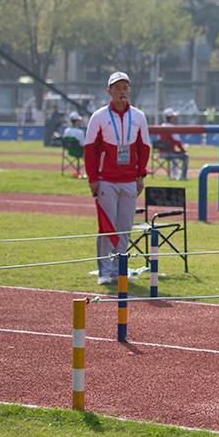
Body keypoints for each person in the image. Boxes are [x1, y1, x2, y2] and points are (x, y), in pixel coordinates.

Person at [84, 72, 150, 285]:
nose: (122, 92)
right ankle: (105, 270)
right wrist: (93, 178)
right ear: (109, 91)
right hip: (106, 180)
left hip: (130, 180)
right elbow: (90, 150)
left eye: (125, 88)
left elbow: (144, 147)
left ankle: (119, 269)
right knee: (107, 226)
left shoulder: (139, 116)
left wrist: (140, 175)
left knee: (125, 226)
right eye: (117, 88)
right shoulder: (99, 116)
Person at [160, 107, 190, 180]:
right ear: (171, 117)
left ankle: (175, 174)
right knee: (185, 156)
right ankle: (183, 176)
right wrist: (183, 150)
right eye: (173, 116)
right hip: (169, 152)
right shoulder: (172, 127)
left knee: (174, 156)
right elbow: (177, 142)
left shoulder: (161, 126)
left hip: (161, 153)